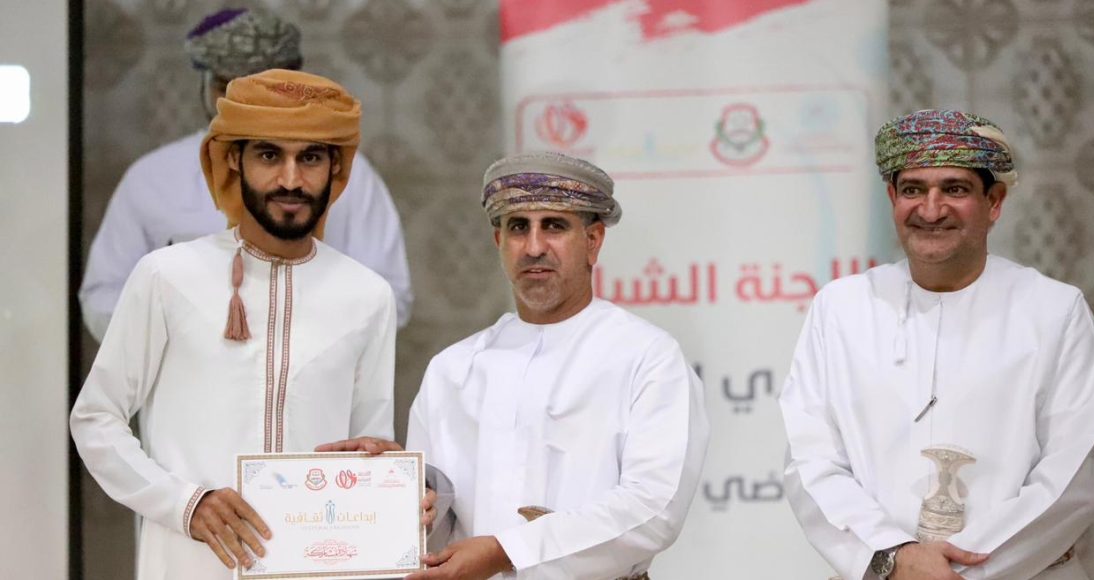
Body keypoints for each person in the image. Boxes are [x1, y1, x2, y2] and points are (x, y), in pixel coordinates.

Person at [71, 69, 415, 580]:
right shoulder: (167, 276)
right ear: (234, 159)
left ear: (336, 168)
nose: (291, 180)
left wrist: (388, 480)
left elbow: (368, 445)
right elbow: (96, 419)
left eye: (311, 158)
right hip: (189, 565)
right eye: (269, 156)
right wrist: (185, 504)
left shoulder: (368, 296)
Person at [779, 109, 1094, 579]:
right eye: (913, 190)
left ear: (994, 201)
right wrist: (893, 556)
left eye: (954, 189)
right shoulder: (841, 308)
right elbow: (810, 460)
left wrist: (954, 572)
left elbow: (1071, 477)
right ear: (892, 198)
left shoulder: (1055, 311)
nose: (931, 210)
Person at [403, 152, 710, 579]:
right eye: (518, 227)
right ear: (498, 242)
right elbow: (430, 521)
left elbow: (653, 509)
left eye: (554, 226)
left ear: (593, 241)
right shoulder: (452, 370)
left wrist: (506, 551)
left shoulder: (647, 357)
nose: (533, 247)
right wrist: (401, 495)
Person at [79, 7, 412, 341]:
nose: (244, 107)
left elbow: (388, 297)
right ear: (204, 85)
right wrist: (187, 336)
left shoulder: (349, 176)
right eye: (227, 88)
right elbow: (103, 296)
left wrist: (295, 334)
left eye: (261, 91)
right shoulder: (152, 178)